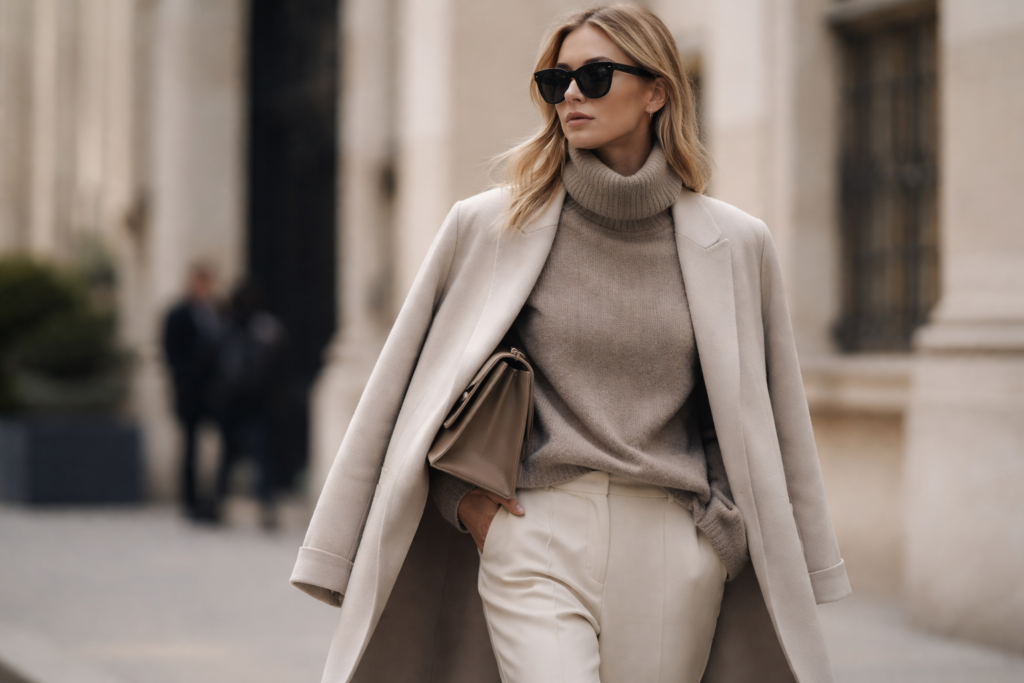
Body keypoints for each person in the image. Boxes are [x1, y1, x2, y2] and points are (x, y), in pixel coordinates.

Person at [292, 6, 851, 683]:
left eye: (596, 75)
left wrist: (720, 535)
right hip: (535, 532)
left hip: (675, 543)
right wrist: (467, 504)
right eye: (558, 81)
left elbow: (767, 414)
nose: (573, 95)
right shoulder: (490, 226)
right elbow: (415, 391)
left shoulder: (735, 243)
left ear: (657, 91)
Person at [213, 281, 287, 530]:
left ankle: (220, 503)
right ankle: (265, 505)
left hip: (239, 403)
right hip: (255, 402)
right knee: (260, 456)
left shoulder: (230, 327)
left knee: (232, 456)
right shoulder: (266, 328)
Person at [161, 263, 222, 521]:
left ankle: (212, 498)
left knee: (217, 446)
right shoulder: (178, 314)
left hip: (212, 393)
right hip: (189, 392)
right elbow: (171, 352)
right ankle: (189, 500)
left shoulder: (214, 314)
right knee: (190, 448)